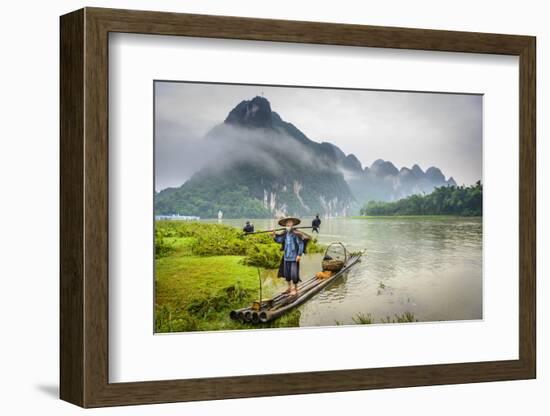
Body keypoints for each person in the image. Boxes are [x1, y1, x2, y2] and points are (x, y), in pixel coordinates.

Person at [272, 217, 304, 296]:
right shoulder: (285, 233)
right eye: (287, 223)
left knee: (294, 274)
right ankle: (289, 287)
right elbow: (280, 240)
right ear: (285, 225)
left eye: (290, 223)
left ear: (293, 224)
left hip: (294, 257)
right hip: (286, 257)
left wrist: (299, 255)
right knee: (287, 274)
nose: (288, 224)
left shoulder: (296, 234)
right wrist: (274, 236)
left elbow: (301, 244)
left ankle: (295, 289)